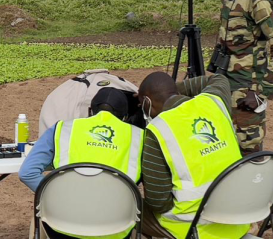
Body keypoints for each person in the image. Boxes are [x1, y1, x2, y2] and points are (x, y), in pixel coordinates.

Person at [20, 87, 143, 239]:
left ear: (90, 110)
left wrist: (56, 197)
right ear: (125, 117)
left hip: (61, 227)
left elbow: (27, 172)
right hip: (116, 230)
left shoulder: (62, 129)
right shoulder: (140, 137)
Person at [138, 72, 249, 239]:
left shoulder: (158, 130)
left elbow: (159, 203)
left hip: (193, 227)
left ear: (147, 102)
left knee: (129, 207)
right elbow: (219, 79)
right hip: (238, 219)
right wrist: (172, 89)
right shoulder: (214, 102)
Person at [212, 0, 271, 155]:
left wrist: (260, 93)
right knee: (228, 141)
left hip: (248, 87)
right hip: (228, 82)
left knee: (248, 147)